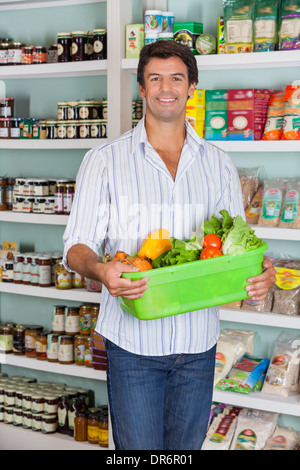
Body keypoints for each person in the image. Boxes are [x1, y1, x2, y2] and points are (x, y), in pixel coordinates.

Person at [63, 40, 276, 450]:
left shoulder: (218, 163)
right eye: (155, 78)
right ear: (141, 88)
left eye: (176, 78)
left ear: (191, 86)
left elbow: (237, 246)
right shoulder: (104, 160)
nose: (166, 87)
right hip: (132, 346)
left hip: (199, 346)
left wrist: (258, 271)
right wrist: (101, 270)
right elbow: (77, 245)